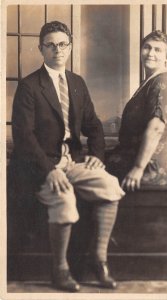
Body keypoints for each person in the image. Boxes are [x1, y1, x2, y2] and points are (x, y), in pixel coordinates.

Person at [9, 20, 125, 292]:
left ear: (70, 48)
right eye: (50, 45)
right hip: (38, 167)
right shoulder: (29, 87)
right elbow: (24, 137)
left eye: (62, 44)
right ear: (41, 49)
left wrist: (97, 154)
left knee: (110, 186)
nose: (57, 50)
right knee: (64, 197)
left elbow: (93, 125)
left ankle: (99, 262)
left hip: (70, 161)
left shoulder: (76, 83)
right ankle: (60, 270)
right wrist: (49, 170)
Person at [107, 30, 167, 191]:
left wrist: (138, 168)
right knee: (88, 161)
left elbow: (156, 128)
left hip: (149, 166)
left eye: (158, 50)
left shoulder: (163, 82)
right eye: (147, 47)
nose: (150, 53)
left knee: (85, 171)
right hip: (134, 158)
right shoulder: (149, 82)